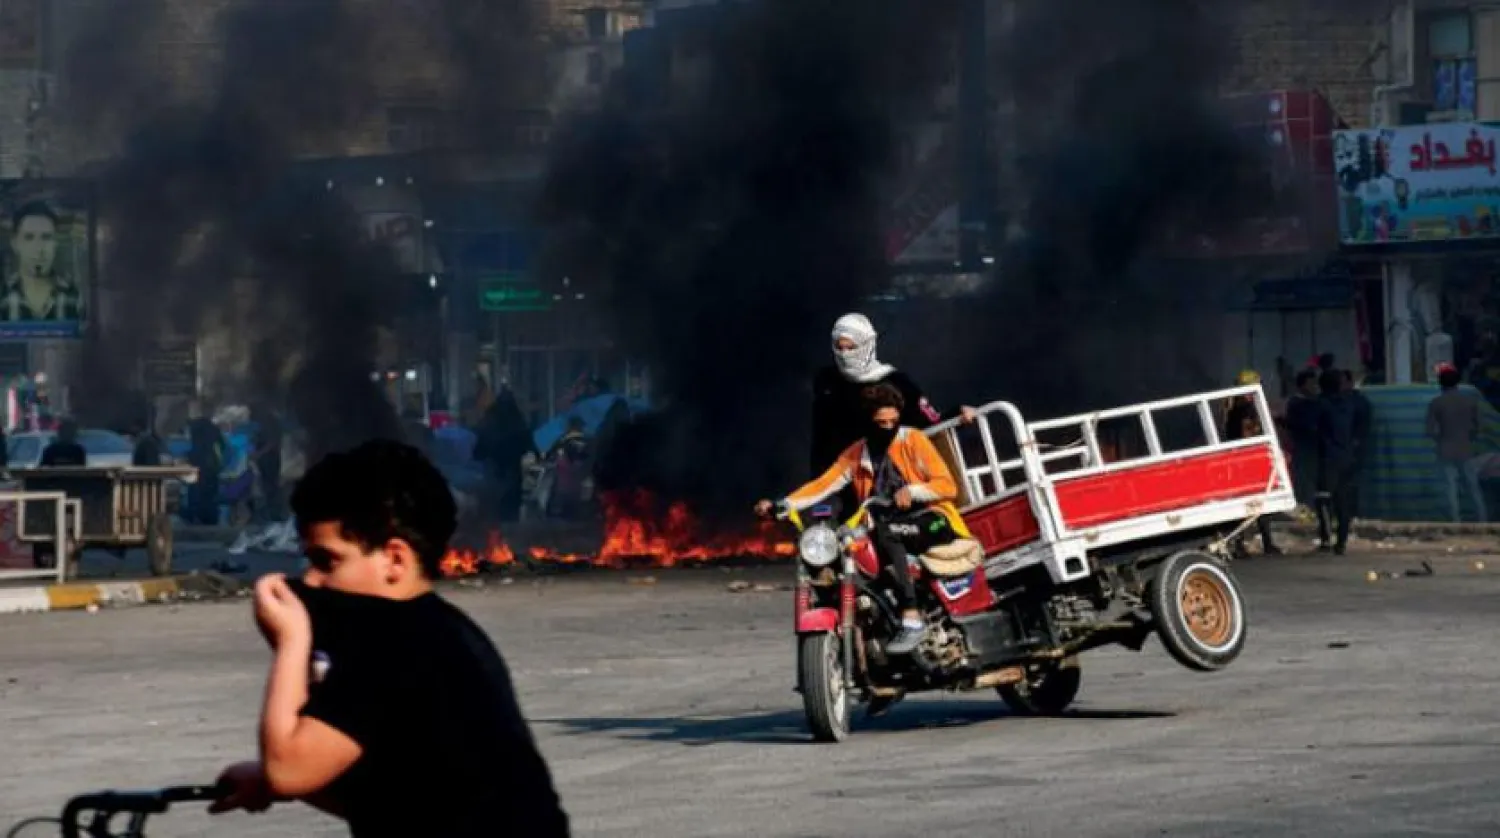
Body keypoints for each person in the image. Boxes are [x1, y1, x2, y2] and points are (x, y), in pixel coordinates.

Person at [208, 440, 570, 836]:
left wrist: (291, 642)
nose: (312, 579)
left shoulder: (392, 644)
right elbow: (396, 796)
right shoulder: (441, 629)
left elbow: (289, 769)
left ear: (394, 560)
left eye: (328, 561)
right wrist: (269, 780)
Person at [760, 383, 969, 656]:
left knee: (887, 533)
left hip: (934, 519)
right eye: (881, 422)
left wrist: (913, 491)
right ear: (867, 422)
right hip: (884, 524)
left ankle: (911, 616)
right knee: (848, 544)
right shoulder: (856, 454)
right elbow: (823, 485)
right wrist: (783, 504)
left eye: (893, 421)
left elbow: (947, 486)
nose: (888, 428)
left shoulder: (913, 440)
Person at [809, 313, 975, 477]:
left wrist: (957, 415)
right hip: (841, 479)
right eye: (840, 348)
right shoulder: (827, 383)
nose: (845, 354)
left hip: (889, 478)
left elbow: (927, 425)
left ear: (868, 344)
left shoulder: (896, 382)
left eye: (851, 348)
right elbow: (821, 441)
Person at [1222, 371, 1281, 557]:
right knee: (1257, 502)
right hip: (1249, 460)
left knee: (1250, 503)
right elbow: (1248, 434)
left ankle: (1246, 543)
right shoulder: (1247, 408)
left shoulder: (1231, 406)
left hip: (1237, 459)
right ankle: (1255, 543)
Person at [0, 201, 85, 324]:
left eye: (46, 237)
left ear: (55, 243)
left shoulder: (74, 298)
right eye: (29, 237)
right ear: (15, 243)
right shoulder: (3, 296)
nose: (39, 248)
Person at [1426, 362, 1488, 523]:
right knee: (1473, 487)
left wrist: (1440, 439)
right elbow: (1479, 428)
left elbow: (1430, 430)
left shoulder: (1437, 403)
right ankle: (1482, 519)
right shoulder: (1470, 402)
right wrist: (1470, 438)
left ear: (1441, 382)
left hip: (1445, 448)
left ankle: (1456, 521)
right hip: (1466, 448)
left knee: (1450, 488)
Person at [475, 387, 535, 522]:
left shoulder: (489, 420)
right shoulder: (517, 420)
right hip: (513, 470)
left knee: (495, 507)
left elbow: (479, 449)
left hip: (493, 470)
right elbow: (528, 445)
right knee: (511, 506)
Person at [1315, 369, 1359, 554]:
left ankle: (1326, 540)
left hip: (1328, 458)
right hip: (1347, 457)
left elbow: (1316, 431)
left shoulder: (1321, 405)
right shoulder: (1349, 404)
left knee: (1323, 499)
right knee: (1342, 501)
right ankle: (1341, 541)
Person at [1283, 368, 1322, 511]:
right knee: (1303, 480)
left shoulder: (1317, 401)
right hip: (1301, 448)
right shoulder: (1297, 403)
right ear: (1302, 385)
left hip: (1313, 448)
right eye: (1311, 383)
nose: (1314, 387)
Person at [1342, 369, 1374, 520]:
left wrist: (1355, 443)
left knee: (1351, 483)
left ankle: (1351, 513)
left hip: (1353, 449)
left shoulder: (1356, 402)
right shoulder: (1344, 400)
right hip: (1344, 449)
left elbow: (1363, 427)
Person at [187, 403, 225, 525]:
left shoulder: (193, 427)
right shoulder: (214, 428)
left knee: (195, 491)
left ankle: (195, 516)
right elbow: (222, 446)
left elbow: (187, 445)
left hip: (196, 464)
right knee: (210, 493)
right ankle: (210, 518)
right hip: (210, 465)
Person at [253, 405, 284, 521]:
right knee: (267, 487)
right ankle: (271, 514)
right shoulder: (264, 423)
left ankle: (274, 514)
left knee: (271, 487)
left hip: (270, 460)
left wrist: (259, 454)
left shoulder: (270, 423)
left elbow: (272, 443)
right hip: (266, 460)